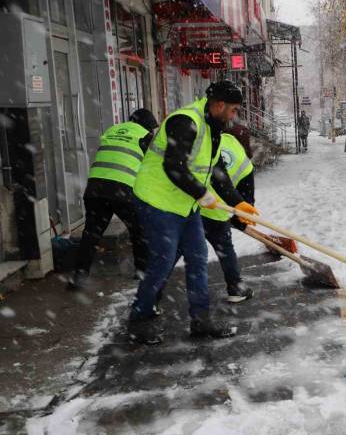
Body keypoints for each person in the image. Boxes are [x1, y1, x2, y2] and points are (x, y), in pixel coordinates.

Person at [127, 81, 259, 345]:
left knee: (198, 259)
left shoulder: (213, 130)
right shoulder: (186, 122)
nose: (234, 116)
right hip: (157, 201)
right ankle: (138, 319)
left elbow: (217, 172)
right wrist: (201, 193)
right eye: (232, 110)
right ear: (219, 105)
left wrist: (238, 204)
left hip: (185, 205)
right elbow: (174, 166)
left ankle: (201, 320)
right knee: (163, 262)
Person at [155, 130, 255, 310]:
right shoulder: (242, 158)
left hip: (192, 206)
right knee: (225, 250)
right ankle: (236, 288)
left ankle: (154, 294)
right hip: (217, 213)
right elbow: (247, 193)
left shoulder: (205, 141)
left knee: (175, 250)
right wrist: (240, 219)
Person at [68, 109, 158, 291]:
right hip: (122, 189)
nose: (153, 132)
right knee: (139, 231)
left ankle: (79, 276)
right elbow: (152, 169)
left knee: (91, 233)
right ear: (147, 126)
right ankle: (142, 271)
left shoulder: (112, 130)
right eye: (152, 128)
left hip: (95, 188)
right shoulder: (144, 136)